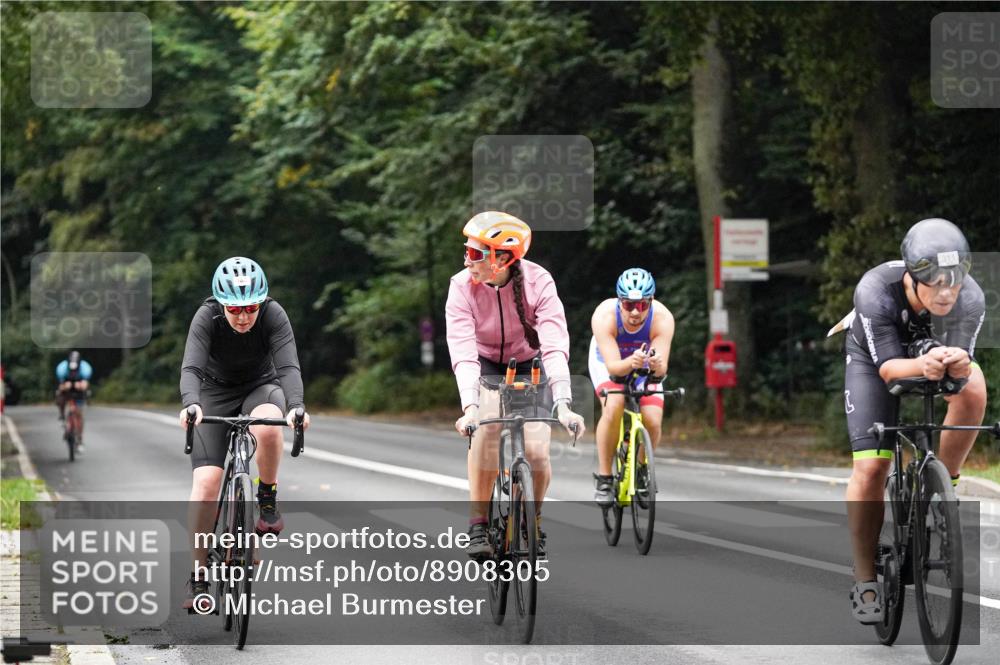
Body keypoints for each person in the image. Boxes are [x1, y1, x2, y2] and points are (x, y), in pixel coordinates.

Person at [834, 218, 986, 624]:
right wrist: (923, 362)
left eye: (954, 282)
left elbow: (963, 363)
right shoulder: (875, 291)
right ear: (912, 277)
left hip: (928, 349)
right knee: (871, 468)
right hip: (876, 359)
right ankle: (865, 575)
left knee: (974, 388)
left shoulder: (971, 298)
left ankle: (944, 485)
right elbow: (887, 370)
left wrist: (956, 361)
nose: (946, 292)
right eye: (935, 282)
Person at [446, 211, 586, 559]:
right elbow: (463, 354)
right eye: (467, 250)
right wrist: (470, 409)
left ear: (503, 258)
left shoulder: (540, 282)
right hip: (486, 363)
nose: (467, 259)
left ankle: (531, 521)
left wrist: (564, 403)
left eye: (476, 254)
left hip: (529, 363)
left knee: (538, 452)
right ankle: (479, 523)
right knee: (487, 431)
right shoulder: (460, 286)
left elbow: (554, 345)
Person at [177, 256, 311, 609]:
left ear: (261, 302)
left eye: (250, 308)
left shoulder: (273, 315)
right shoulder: (206, 316)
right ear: (222, 305)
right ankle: (199, 574)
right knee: (206, 484)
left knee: (269, 427)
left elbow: (288, 366)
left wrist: (296, 406)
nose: (243, 317)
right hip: (213, 392)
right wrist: (191, 403)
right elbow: (191, 366)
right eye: (234, 310)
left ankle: (266, 494)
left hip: (260, 386)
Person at [588, 268, 675, 505]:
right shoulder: (604, 315)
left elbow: (661, 370)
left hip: (641, 364)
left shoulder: (663, 319)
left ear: (651, 301)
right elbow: (615, 368)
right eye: (628, 305)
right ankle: (605, 477)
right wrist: (630, 362)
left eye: (642, 305)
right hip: (608, 361)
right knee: (614, 403)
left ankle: (642, 467)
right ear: (619, 302)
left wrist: (656, 365)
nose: (635, 312)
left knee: (653, 418)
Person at [55, 350, 92, 449]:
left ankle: (79, 438)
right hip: (67, 390)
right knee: (59, 397)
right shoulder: (62, 368)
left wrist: (79, 385)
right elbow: (60, 386)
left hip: (79, 391)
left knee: (79, 414)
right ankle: (62, 415)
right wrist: (64, 386)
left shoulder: (85, 368)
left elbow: (85, 385)